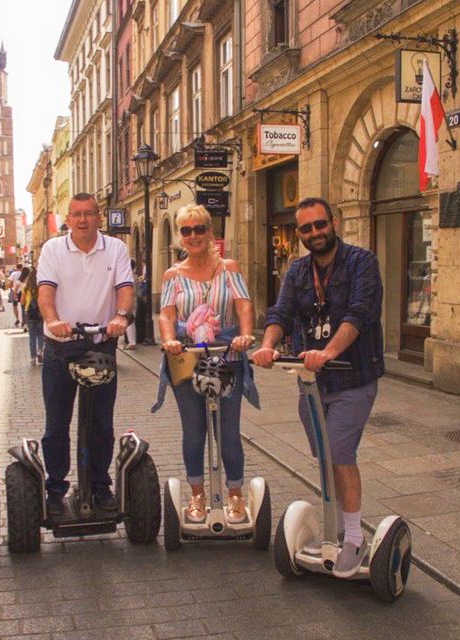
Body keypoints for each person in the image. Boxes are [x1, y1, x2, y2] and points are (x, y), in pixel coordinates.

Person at [251, 196, 384, 578]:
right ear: (300, 233)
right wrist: (267, 344)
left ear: (334, 222)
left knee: (341, 452)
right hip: (311, 382)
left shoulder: (361, 262)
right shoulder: (297, 271)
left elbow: (360, 313)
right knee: (324, 456)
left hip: (353, 376)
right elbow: (282, 312)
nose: (314, 233)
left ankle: (355, 535)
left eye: (320, 224)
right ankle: (337, 525)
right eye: (306, 228)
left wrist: (327, 351)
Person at [157, 204, 257, 525]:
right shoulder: (172, 274)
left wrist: (245, 335)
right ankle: (197, 494)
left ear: (210, 232)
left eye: (199, 229)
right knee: (194, 431)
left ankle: (235, 494)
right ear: (180, 237)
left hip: (226, 356)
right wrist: (170, 338)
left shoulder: (229, 268)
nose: (193, 236)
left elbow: (243, 306)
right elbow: (167, 314)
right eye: (186, 230)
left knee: (228, 432)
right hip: (186, 360)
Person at [37, 193, 136, 515]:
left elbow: (125, 287)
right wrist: (52, 320)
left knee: (101, 423)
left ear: (99, 217)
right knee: (57, 424)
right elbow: (45, 291)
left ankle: (99, 484)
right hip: (60, 347)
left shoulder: (116, 248)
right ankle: (55, 487)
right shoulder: (53, 249)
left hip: (100, 344)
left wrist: (120, 316)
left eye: (89, 214)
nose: (83, 220)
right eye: (77, 214)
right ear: (68, 218)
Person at [19, 268, 43, 365]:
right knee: (41, 334)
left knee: (32, 336)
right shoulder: (41, 286)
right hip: (41, 312)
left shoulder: (26, 287)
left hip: (29, 312)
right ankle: (40, 353)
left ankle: (33, 358)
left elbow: (22, 301)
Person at [123, 259, 138, 350]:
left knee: (129, 321)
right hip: (131, 300)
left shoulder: (130, 276)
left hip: (130, 301)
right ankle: (130, 341)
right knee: (129, 321)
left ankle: (132, 342)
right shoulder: (133, 275)